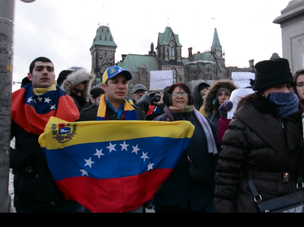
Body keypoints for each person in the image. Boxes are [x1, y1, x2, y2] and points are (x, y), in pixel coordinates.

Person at [213, 55, 304, 213]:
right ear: (263, 90)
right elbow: (226, 178)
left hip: (299, 201)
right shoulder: (244, 120)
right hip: (258, 203)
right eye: (278, 87)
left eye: (289, 86)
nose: (286, 92)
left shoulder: (300, 116)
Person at [10, 56, 83, 212]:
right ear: (30, 76)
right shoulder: (16, 102)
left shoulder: (69, 103)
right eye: (39, 69)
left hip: (63, 190)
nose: (45, 72)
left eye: (49, 69)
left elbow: (81, 141)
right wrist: (22, 163)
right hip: (29, 189)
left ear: (54, 76)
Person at [77, 66, 146, 212]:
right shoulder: (88, 116)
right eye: (115, 82)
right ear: (104, 86)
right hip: (99, 193)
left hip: (132, 192)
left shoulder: (139, 115)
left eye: (124, 82)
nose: (121, 86)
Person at [152, 82, 218, 213]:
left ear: (189, 97)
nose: (180, 97)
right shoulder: (158, 124)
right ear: (169, 98)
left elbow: (215, 157)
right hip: (169, 196)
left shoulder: (206, 124)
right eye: (176, 94)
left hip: (201, 195)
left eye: (184, 94)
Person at [202, 80, 238, 145]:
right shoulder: (211, 116)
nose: (223, 97)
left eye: (226, 94)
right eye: (220, 95)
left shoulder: (237, 115)